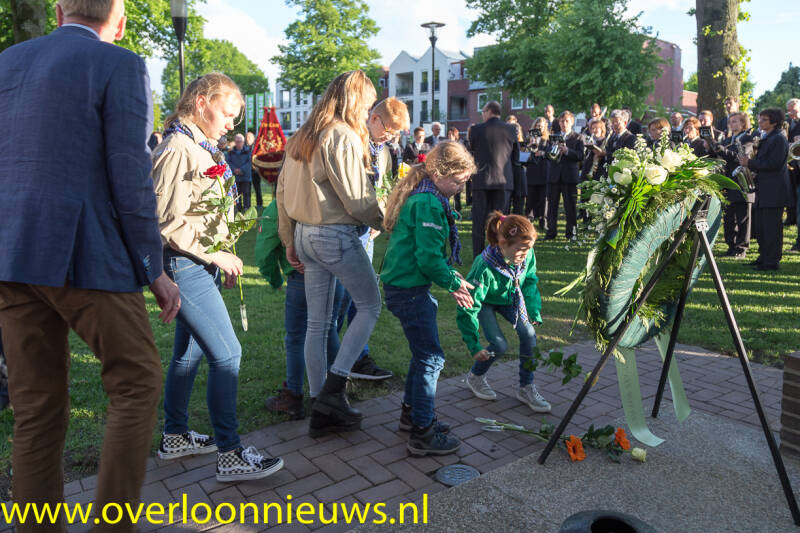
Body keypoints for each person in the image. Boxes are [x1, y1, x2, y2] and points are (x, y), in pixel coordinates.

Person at [0, 0, 182, 528]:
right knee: (139, 381)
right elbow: (130, 177)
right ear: (118, 22)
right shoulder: (122, 64)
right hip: (86, 253)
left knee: (35, 409)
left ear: (58, 13)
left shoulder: (8, 62)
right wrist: (154, 267)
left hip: (12, 255)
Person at [153, 73, 284, 482]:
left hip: (200, 264)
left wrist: (219, 255)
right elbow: (159, 220)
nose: (232, 124)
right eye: (227, 114)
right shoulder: (178, 147)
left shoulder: (200, 146)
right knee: (227, 355)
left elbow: (200, 210)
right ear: (201, 103)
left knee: (189, 354)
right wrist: (213, 254)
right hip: (184, 265)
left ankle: (174, 436)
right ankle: (230, 454)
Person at [277, 70, 383, 438]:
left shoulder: (304, 135)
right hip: (333, 234)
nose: (368, 111)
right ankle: (333, 391)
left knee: (318, 325)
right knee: (370, 307)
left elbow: (281, 192)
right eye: (367, 104)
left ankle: (322, 403)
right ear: (355, 100)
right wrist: (387, 218)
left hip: (306, 235)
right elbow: (357, 198)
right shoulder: (340, 135)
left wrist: (289, 237)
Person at [381, 141, 476, 456]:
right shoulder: (429, 204)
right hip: (408, 289)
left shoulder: (428, 194)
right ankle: (422, 432)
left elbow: (430, 255)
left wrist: (451, 275)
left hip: (405, 286)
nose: (461, 188)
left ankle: (413, 415)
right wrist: (452, 282)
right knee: (431, 358)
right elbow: (427, 258)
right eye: (459, 182)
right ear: (439, 174)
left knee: (422, 354)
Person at [338, 96, 410, 381]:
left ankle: (358, 357)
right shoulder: (353, 143)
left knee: (361, 300)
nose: (392, 136)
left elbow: (382, 186)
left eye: (396, 132)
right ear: (375, 119)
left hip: (367, 232)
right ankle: (334, 362)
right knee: (339, 302)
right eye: (389, 129)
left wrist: (382, 213)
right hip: (343, 231)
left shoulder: (384, 150)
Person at [256, 198, 344, 419]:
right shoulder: (327, 197)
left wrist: (274, 279)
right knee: (328, 328)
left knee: (296, 337)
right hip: (336, 271)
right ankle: (337, 389)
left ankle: (293, 395)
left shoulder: (281, 205)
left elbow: (265, 249)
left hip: (303, 276)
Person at [458, 212, 550, 412]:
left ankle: (526, 387)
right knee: (499, 344)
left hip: (510, 298)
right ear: (502, 243)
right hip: (485, 303)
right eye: (520, 251)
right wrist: (474, 345)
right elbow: (469, 306)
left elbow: (530, 281)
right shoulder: (484, 267)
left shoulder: (526, 253)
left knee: (529, 335)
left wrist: (533, 312)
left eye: (528, 251)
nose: (524, 256)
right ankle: (476, 376)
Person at [739, 108, 793, 271]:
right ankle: (763, 257)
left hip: (774, 191)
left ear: (774, 122)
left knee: (771, 228)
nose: (760, 122)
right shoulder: (767, 137)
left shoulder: (778, 139)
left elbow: (774, 164)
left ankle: (772, 261)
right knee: (761, 227)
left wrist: (750, 163)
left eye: (764, 120)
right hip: (764, 189)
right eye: (760, 119)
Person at [469, 100, 520, 254]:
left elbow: (471, 151)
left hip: (481, 180)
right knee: (501, 220)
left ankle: (478, 254)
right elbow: (516, 157)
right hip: (503, 181)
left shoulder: (476, 130)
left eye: (483, 112)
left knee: (479, 221)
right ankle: (499, 251)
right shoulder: (511, 129)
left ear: (489, 111)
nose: (482, 115)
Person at [707, 111, 755, 259]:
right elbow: (719, 156)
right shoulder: (728, 139)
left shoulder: (747, 139)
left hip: (741, 183)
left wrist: (722, 149)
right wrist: (711, 144)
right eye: (730, 121)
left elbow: (740, 158)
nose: (731, 124)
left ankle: (741, 248)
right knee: (729, 219)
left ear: (742, 123)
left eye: (735, 121)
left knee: (742, 218)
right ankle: (731, 246)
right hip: (727, 182)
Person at [544, 111, 584, 240]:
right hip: (554, 177)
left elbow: (580, 156)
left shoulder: (578, 137)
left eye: (566, 121)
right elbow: (549, 156)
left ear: (572, 122)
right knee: (552, 207)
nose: (564, 123)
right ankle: (551, 233)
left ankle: (571, 233)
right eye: (561, 121)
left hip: (569, 177)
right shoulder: (554, 137)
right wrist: (553, 150)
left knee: (570, 207)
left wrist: (567, 151)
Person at [525, 117, 550, 229]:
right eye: (537, 125)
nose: (539, 127)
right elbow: (524, 155)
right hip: (532, 172)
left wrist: (543, 153)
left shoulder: (548, 140)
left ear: (545, 128)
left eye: (541, 126)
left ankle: (543, 219)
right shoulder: (529, 139)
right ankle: (529, 219)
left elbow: (551, 154)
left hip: (544, 171)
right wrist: (529, 146)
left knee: (544, 198)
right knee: (530, 197)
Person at [226, 133, 253, 212]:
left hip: (245, 176)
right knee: (236, 194)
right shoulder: (231, 152)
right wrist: (234, 169)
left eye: (240, 141)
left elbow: (249, 162)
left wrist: (241, 170)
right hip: (235, 177)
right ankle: (238, 208)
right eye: (237, 141)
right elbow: (228, 162)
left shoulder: (248, 151)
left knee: (246, 194)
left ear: (243, 142)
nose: (238, 143)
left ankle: (247, 208)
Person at [787, 98, 800, 250]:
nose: (792, 114)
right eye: (789, 111)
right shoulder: (788, 124)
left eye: (794, 110)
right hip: (793, 169)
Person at [507, 115, 527, 215]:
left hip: (519, 175)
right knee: (506, 205)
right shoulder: (505, 143)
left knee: (519, 204)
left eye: (516, 130)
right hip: (508, 175)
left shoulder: (524, 143)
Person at [447, 126, 466, 212]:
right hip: (448, 169)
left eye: (451, 134)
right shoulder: (446, 144)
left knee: (457, 191)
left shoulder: (460, 144)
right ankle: (446, 208)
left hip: (457, 169)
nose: (449, 136)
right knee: (447, 190)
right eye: (448, 134)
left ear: (455, 135)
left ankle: (457, 210)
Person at [246, 130, 264, 209]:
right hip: (246, 172)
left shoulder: (257, 148)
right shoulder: (244, 147)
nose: (248, 139)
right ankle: (248, 205)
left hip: (255, 172)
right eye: (247, 137)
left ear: (253, 139)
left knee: (257, 189)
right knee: (247, 190)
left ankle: (259, 204)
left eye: (249, 137)